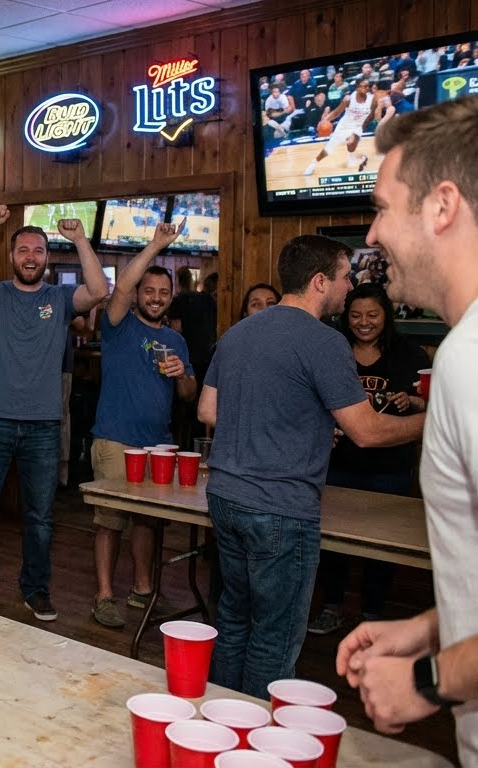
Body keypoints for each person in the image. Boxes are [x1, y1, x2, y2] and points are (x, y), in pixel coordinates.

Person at [197, 234, 425, 700]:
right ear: (320, 282)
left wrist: (300, 425)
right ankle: (259, 733)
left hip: (225, 497)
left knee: (234, 618)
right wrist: (435, 420)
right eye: (345, 277)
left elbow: (208, 410)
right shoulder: (325, 342)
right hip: (280, 506)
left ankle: (220, 721)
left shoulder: (238, 333)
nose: (349, 287)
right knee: (274, 635)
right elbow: (367, 431)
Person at [335, 96, 478, 759]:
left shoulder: (469, 358)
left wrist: (428, 678)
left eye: (382, 208)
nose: (371, 236)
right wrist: (431, 629)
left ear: (441, 206)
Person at [0, 204, 110, 617]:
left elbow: (98, 291)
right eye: (23, 250)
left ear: (46, 258)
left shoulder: (59, 298)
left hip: (42, 426)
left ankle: (36, 589)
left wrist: (80, 239)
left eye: (38, 250)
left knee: (40, 518)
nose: (31, 257)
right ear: (12, 257)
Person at [88, 221, 196, 629]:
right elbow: (119, 289)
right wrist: (155, 245)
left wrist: (181, 375)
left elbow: (189, 393)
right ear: (137, 294)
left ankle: (143, 590)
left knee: (147, 520)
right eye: (149, 291)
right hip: (116, 439)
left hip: (159, 445)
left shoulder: (176, 340)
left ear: (172, 297)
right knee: (109, 521)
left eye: (163, 293)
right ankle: (103, 597)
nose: (156, 298)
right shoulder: (119, 325)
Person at [307, 282, 429, 636]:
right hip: (337, 464)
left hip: (389, 468)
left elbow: (430, 401)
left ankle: (373, 614)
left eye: (372, 315)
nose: (363, 322)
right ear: (345, 317)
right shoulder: (333, 350)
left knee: (383, 549)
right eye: (356, 315)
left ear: (386, 316)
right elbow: (313, 399)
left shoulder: (408, 354)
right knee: (331, 544)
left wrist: (412, 402)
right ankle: (331, 607)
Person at [303, 78, 375, 176]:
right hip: (344, 126)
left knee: (352, 142)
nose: (366, 88)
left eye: (367, 86)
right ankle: (313, 164)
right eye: (363, 86)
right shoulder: (348, 99)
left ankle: (351, 158)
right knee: (328, 149)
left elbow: (373, 112)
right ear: (357, 87)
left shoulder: (371, 99)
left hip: (357, 126)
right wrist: (324, 120)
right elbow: (336, 113)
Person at [168, 266, 216, 382]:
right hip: (208, 355)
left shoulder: (178, 301)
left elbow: (176, 330)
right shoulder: (207, 298)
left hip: (187, 356)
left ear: (177, 280)